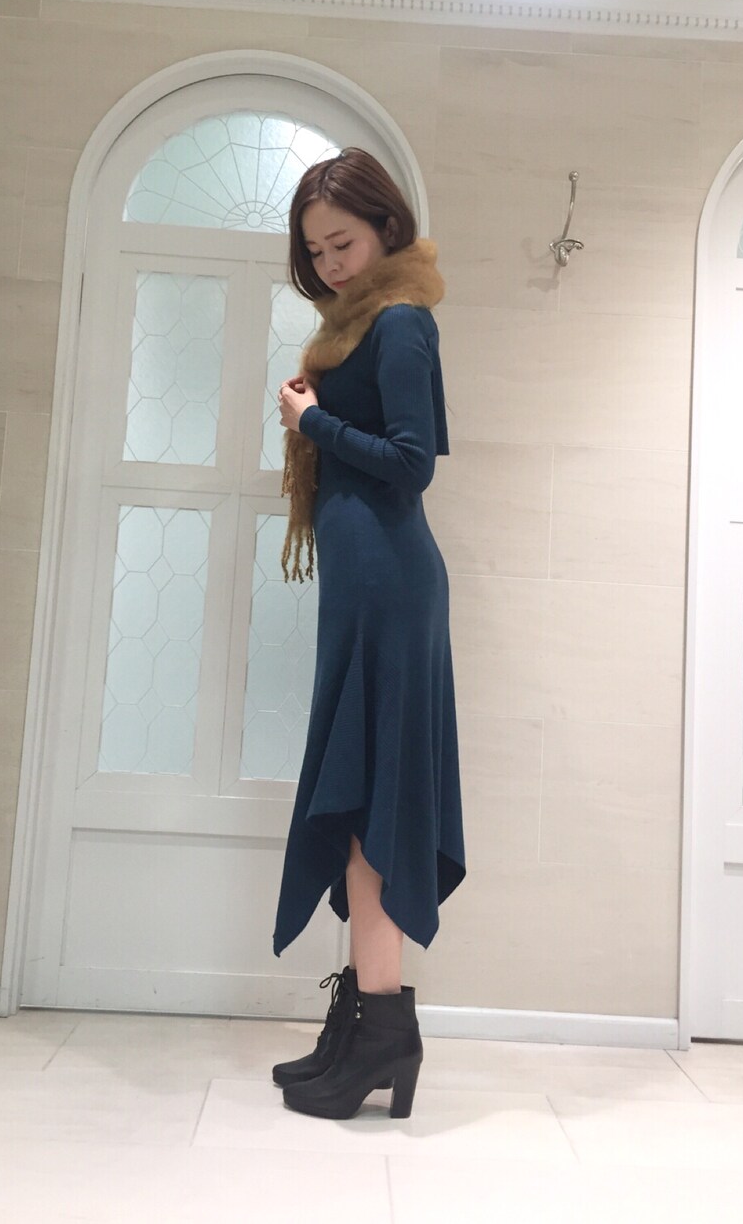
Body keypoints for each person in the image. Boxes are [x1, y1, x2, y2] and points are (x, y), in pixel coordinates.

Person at [270, 147, 466, 1121]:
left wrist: (312, 424)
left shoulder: (400, 322)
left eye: (342, 243)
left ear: (387, 227)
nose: (330, 264)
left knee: (369, 804)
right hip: (364, 589)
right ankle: (365, 1025)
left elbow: (412, 461)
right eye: (315, 251)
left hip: (389, 586)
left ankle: (380, 1029)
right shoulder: (357, 324)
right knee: (358, 806)